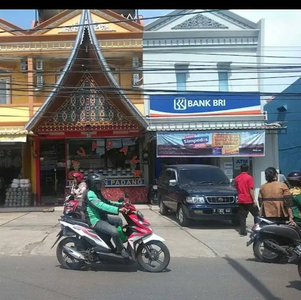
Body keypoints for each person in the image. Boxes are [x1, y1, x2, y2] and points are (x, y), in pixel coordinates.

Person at [83, 173, 130, 259]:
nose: (101, 185)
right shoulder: (90, 194)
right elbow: (101, 205)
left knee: (118, 220)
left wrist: (121, 204)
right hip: (95, 220)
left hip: (101, 217)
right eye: (99, 183)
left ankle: (118, 241)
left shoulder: (97, 193)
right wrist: (118, 210)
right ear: (94, 184)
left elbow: (107, 202)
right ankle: (120, 250)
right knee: (114, 232)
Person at [234, 163, 259, 236]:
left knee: (242, 216)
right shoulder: (249, 177)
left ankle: (243, 231)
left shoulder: (237, 178)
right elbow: (251, 189)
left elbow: (237, 188)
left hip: (241, 199)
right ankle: (256, 229)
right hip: (249, 199)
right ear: (248, 169)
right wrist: (254, 200)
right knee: (256, 214)